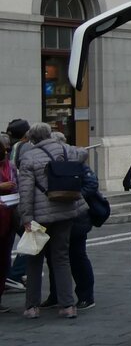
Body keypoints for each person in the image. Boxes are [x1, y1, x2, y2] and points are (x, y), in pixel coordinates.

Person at [17, 122, 88, 319]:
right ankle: (67, 306)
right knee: (61, 257)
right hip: (66, 209)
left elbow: (26, 191)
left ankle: (32, 307)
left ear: (32, 139)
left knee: (34, 259)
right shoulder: (66, 149)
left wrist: (26, 218)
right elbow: (83, 153)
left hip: (40, 216)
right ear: (49, 134)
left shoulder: (28, 157)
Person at [42, 132, 95, 311]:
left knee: (77, 256)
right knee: (54, 257)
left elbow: (91, 185)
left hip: (76, 216)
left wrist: (74, 197)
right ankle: (56, 295)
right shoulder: (52, 164)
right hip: (59, 216)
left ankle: (86, 296)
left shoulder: (76, 163)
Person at [4, 118, 31, 293]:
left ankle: (9, 275)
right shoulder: (22, 148)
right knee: (32, 240)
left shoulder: (11, 149)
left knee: (9, 242)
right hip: (18, 203)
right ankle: (13, 275)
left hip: (11, 203)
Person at [0, 133, 17, 313]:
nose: (6, 153)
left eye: (7, 150)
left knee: (4, 260)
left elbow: (17, 184)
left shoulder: (10, 166)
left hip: (7, 219)